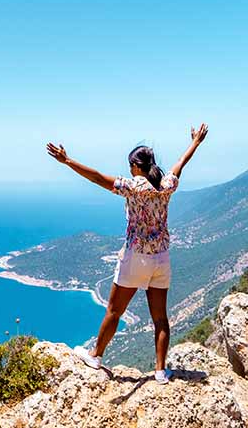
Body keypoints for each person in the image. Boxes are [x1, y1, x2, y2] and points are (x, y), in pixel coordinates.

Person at [46, 125, 208, 383]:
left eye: (130, 165)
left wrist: (67, 161)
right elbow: (180, 163)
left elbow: (98, 177)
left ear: (135, 166)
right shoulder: (166, 185)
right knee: (160, 318)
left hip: (135, 258)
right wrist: (195, 143)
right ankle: (159, 371)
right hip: (161, 258)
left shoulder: (132, 186)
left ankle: (96, 356)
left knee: (114, 311)